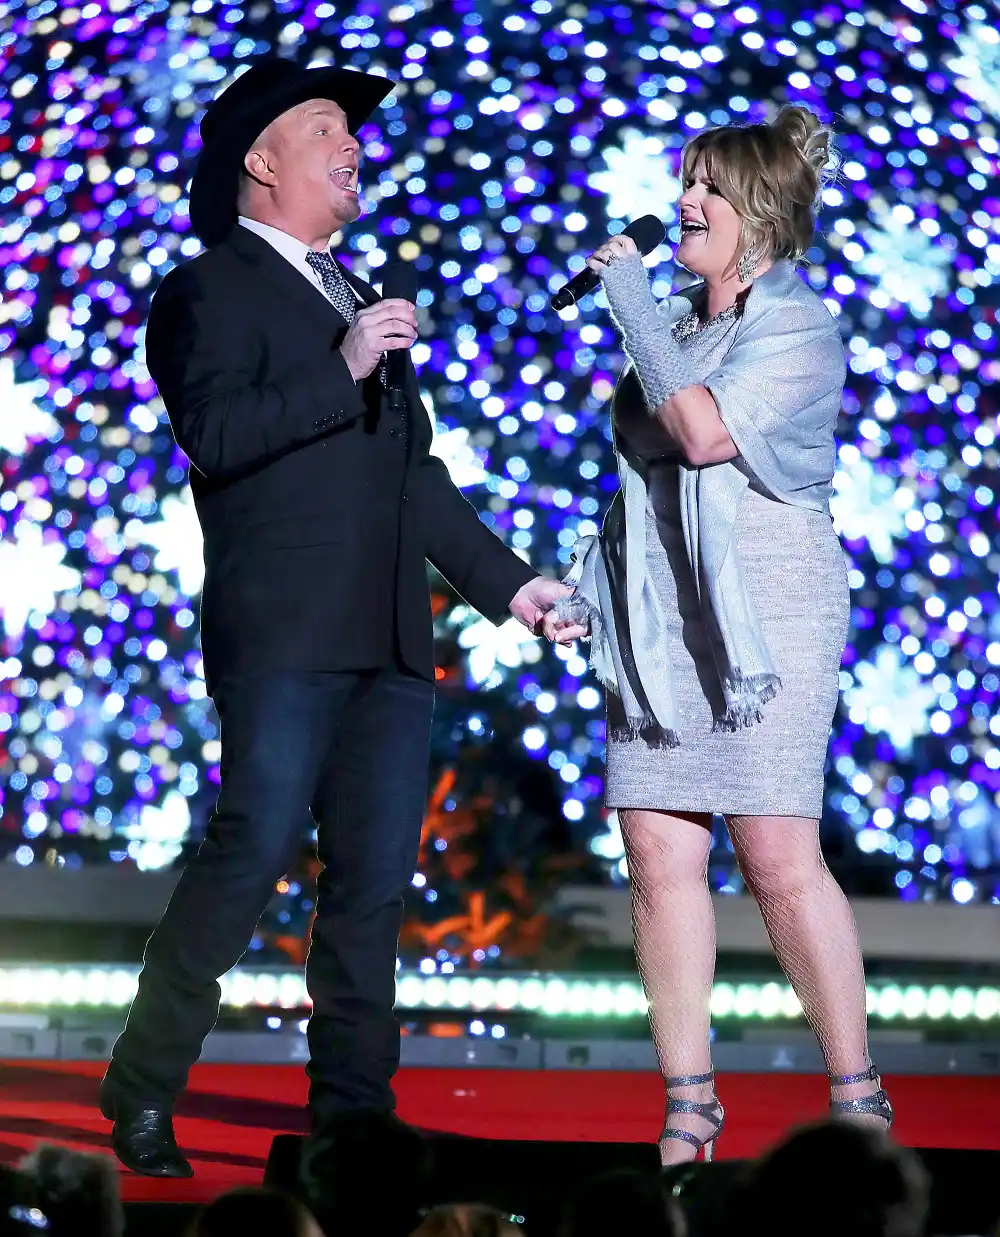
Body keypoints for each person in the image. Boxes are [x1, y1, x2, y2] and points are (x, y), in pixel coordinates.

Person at [98, 58, 568, 1190]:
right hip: (283, 632)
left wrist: (509, 588)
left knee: (370, 890)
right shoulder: (206, 289)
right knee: (251, 849)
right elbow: (217, 434)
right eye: (323, 126)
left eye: (351, 128)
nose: (350, 141)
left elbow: (417, 478)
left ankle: (351, 1127)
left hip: (392, 644)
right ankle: (146, 1081)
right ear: (262, 161)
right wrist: (342, 361)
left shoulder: (358, 292)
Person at [545, 105, 892, 1162]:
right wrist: (583, 587)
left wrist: (633, 310)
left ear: (762, 214)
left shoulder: (794, 325)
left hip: (767, 613)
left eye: (706, 187)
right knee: (656, 846)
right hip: (663, 619)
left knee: (776, 848)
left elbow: (698, 437)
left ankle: (855, 1094)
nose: (682, 201)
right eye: (682, 180)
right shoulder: (683, 330)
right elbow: (638, 487)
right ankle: (689, 1100)